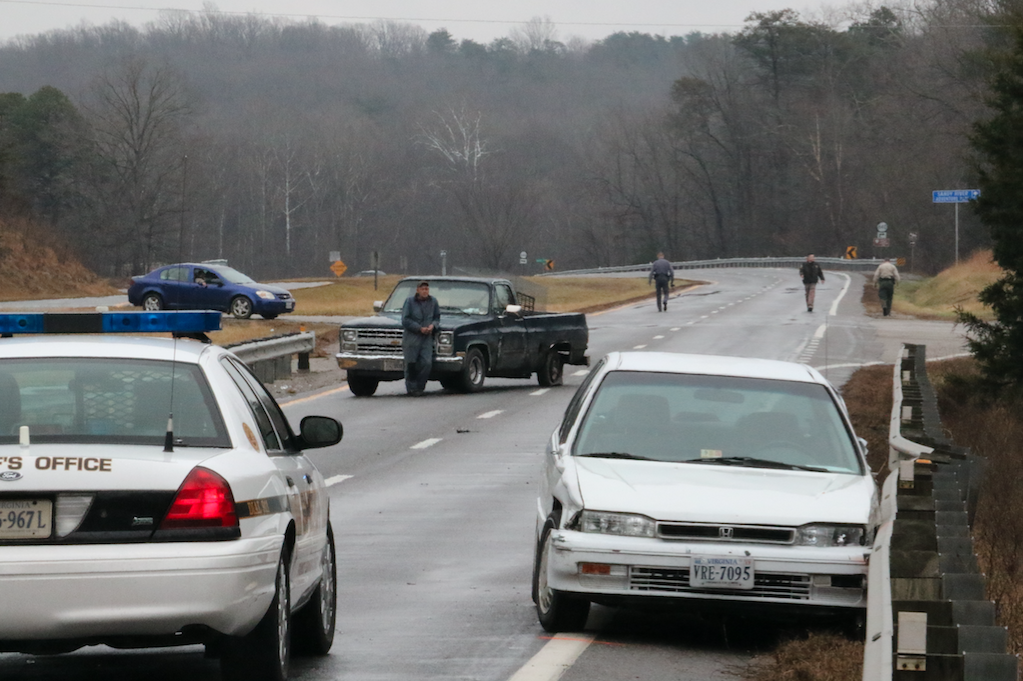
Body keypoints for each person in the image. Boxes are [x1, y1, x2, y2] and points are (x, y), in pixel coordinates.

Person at [401, 280, 441, 396]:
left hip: (427, 338)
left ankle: (420, 386)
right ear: (417, 290)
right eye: (422, 289)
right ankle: (412, 389)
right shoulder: (409, 301)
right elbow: (405, 320)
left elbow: (437, 317)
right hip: (412, 337)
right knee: (411, 364)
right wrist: (419, 328)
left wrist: (433, 326)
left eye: (426, 289)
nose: (425, 291)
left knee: (427, 363)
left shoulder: (433, 301)